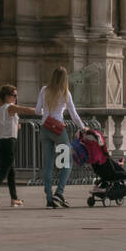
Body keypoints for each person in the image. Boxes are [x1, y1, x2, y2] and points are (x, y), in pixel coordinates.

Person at [35, 66, 86, 209]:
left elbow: (37, 111)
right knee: (66, 162)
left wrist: (47, 112)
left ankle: (49, 199)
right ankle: (59, 192)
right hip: (58, 130)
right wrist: (83, 128)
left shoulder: (44, 90)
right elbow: (74, 115)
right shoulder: (65, 93)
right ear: (65, 78)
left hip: (44, 128)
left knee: (48, 165)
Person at [0, 85, 35, 208]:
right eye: (14, 95)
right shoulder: (10, 107)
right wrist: (42, 110)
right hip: (9, 142)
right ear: (7, 96)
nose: (16, 98)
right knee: (4, 171)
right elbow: (25, 110)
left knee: (10, 171)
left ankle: (14, 198)